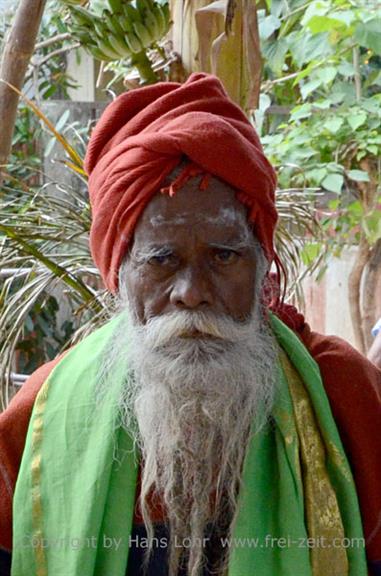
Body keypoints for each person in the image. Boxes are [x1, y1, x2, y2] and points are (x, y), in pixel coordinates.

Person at [0, 73, 380, 576]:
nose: (192, 291)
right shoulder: (47, 413)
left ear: (262, 265)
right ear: (118, 274)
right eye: (162, 260)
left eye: (224, 256)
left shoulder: (340, 392)